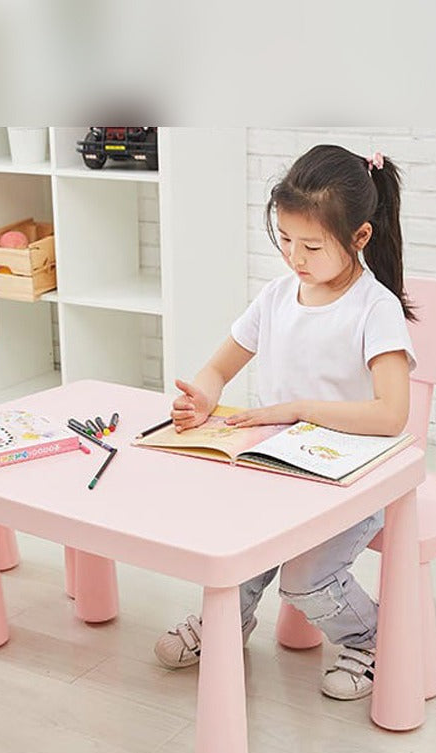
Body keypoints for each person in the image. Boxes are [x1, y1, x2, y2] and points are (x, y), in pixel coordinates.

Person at [153, 144, 418, 701]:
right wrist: (203, 395)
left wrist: (299, 409)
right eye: (286, 240)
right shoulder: (277, 297)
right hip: (278, 467)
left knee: (304, 579)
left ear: (360, 238)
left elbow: (393, 415)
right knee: (231, 544)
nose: (295, 257)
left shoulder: (375, 308)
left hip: (350, 480)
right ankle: (228, 623)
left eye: (312, 246)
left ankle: (372, 638)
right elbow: (221, 364)